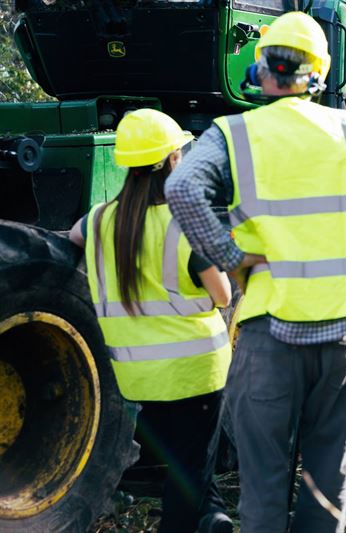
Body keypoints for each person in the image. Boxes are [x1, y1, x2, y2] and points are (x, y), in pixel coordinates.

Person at [163, 11, 346, 533]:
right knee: (326, 486)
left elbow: (180, 190)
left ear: (262, 68)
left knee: (264, 489)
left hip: (269, 335)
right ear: (320, 71)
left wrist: (228, 256)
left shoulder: (233, 134)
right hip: (342, 332)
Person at [68, 108, 234, 533]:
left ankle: (213, 517)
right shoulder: (186, 222)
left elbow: (73, 235)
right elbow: (223, 295)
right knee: (190, 471)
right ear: (174, 161)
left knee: (185, 462)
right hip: (195, 372)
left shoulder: (104, 218)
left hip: (135, 377)